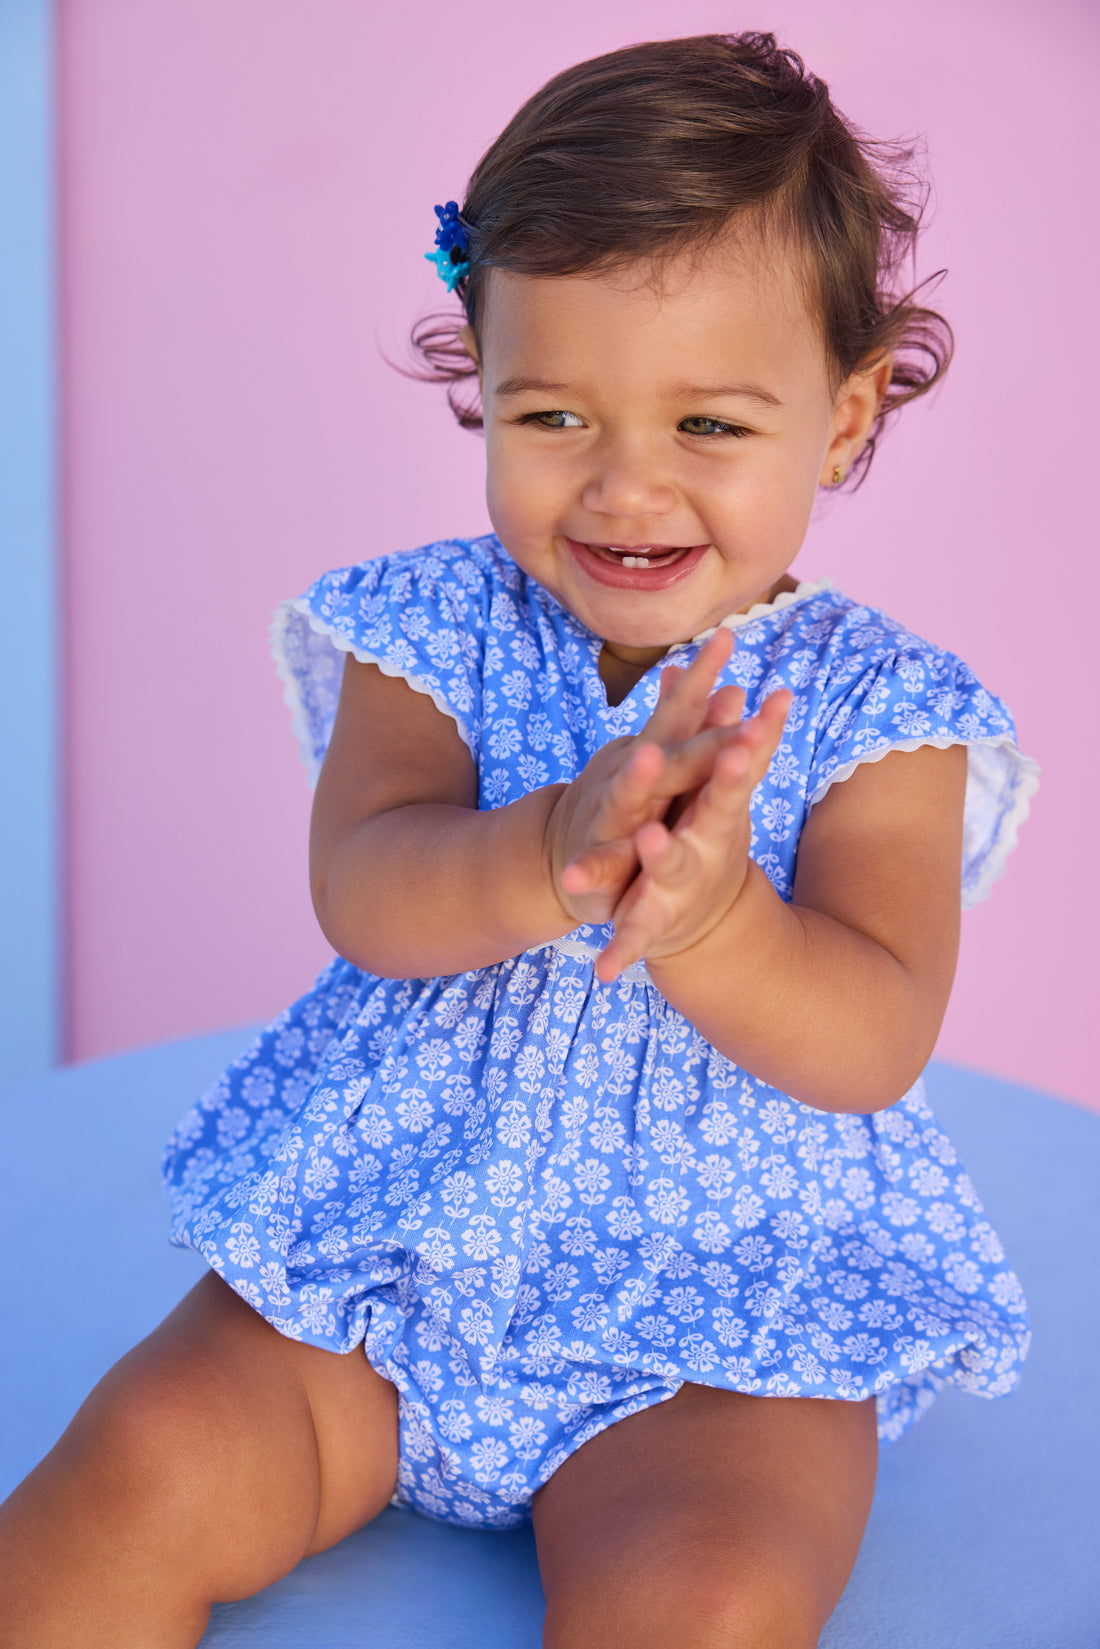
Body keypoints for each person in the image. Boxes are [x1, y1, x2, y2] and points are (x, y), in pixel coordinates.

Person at [0, 31, 1038, 1649]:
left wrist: (715, 924)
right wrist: (552, 843)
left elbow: (875, 1028)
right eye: (554, 413)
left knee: (712, 1596)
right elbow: (369, 888)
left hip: (713, 1332)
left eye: (708, 426)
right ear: (476, 380)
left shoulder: (878, 710)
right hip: (377, 1277)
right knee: (130, 1470)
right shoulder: (427, 630)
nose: (626, 487)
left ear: (841, 421)